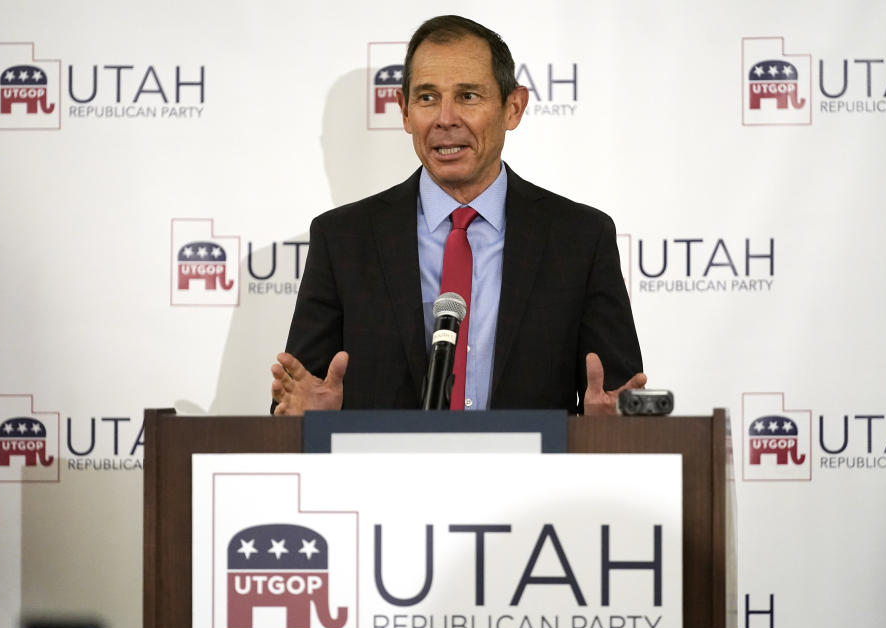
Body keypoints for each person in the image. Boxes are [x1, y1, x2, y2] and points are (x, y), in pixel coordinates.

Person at [271, 15, 645, 416]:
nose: (445, 118)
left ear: (513, 108)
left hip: (533, 477)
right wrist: (307, 421)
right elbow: (300, 396)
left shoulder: (581, 239)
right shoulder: (342, 239)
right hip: (382, 475)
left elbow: (617, 399)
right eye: (428, 97)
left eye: (468, 96)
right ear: (404, 110)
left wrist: (609, 427)